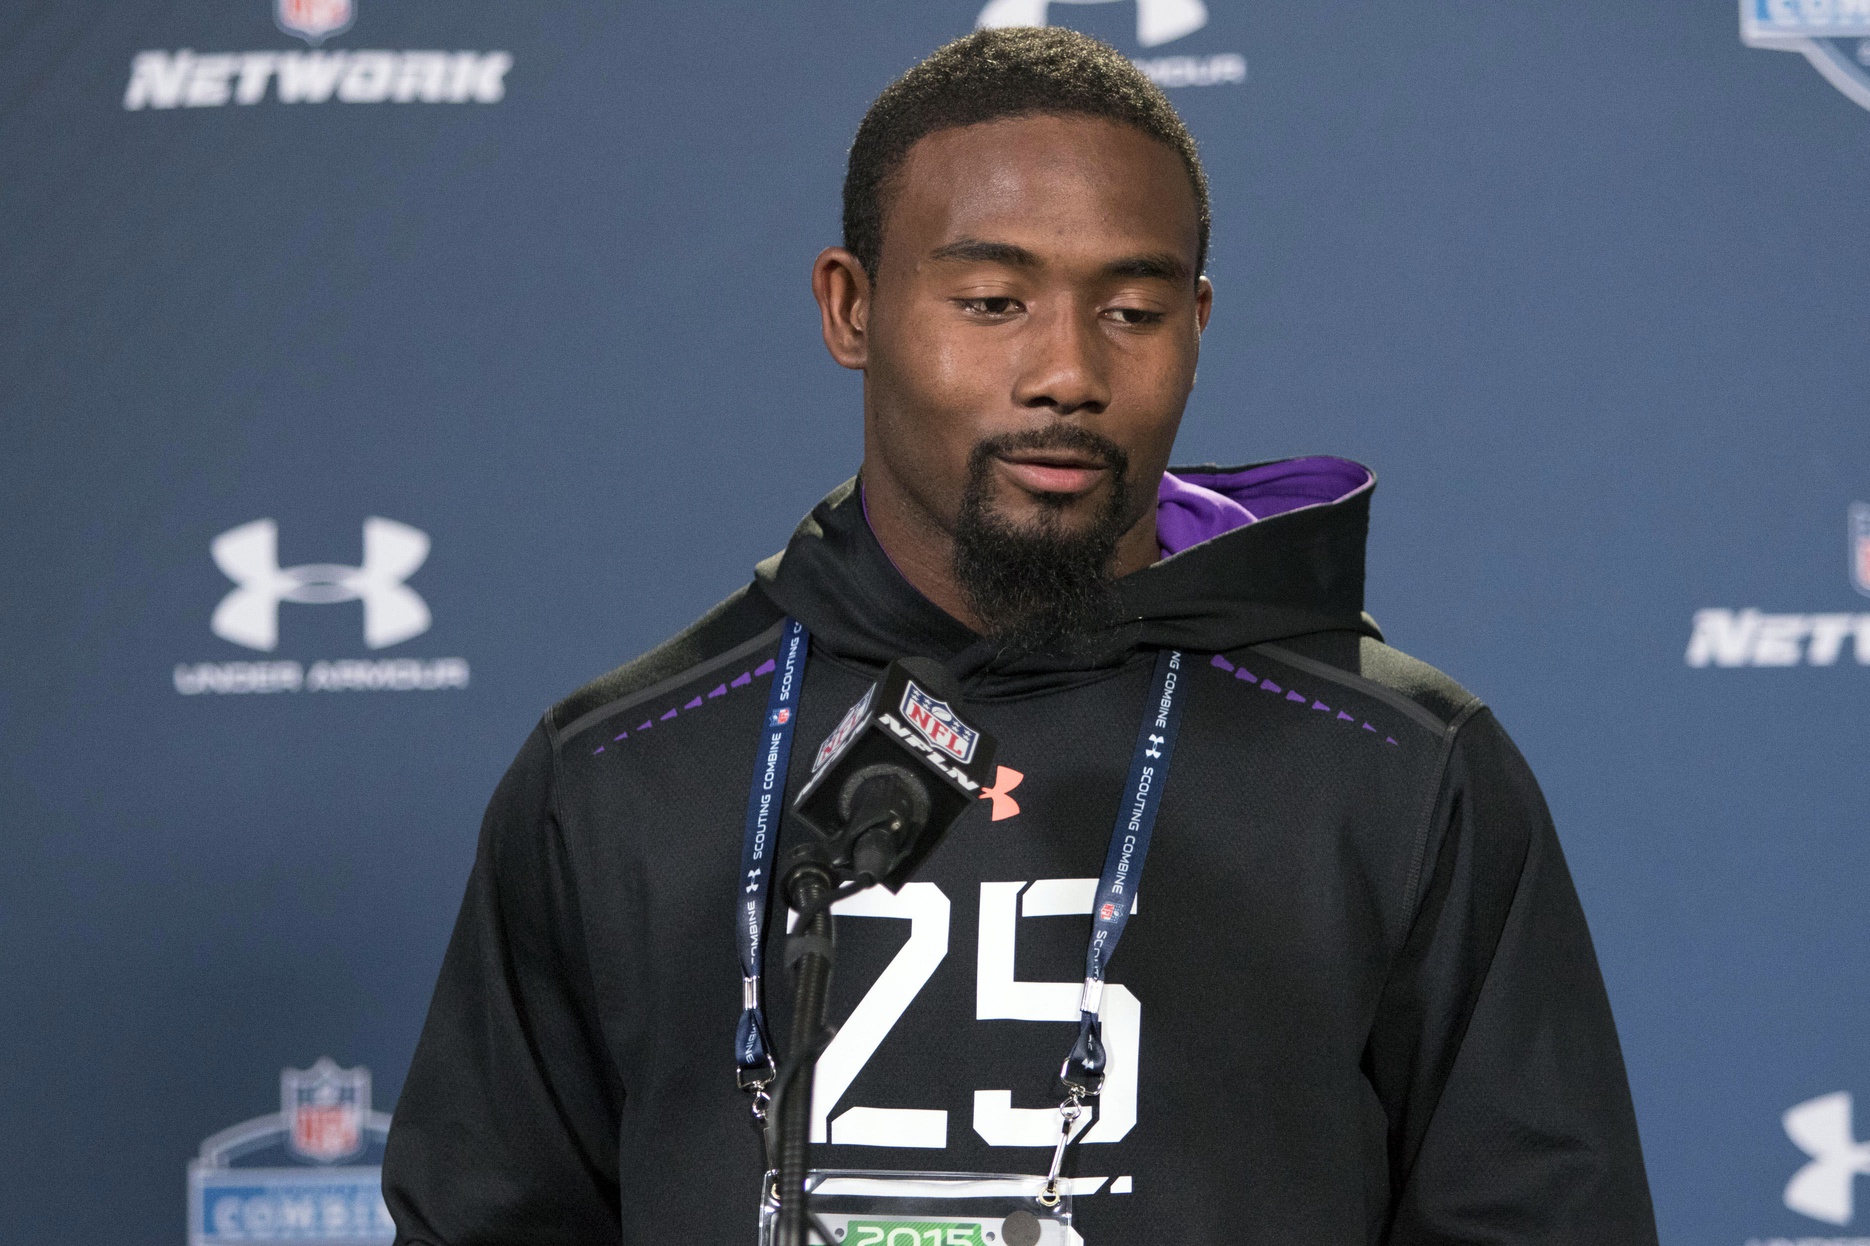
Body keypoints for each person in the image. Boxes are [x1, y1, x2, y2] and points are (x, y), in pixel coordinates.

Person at [384, 26, 1658, 1245]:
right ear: (851, 308)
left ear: (1198, 327)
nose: (1065, 371)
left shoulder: (1401, 769)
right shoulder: (618, 774)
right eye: (992, 301)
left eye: (1132, 311)